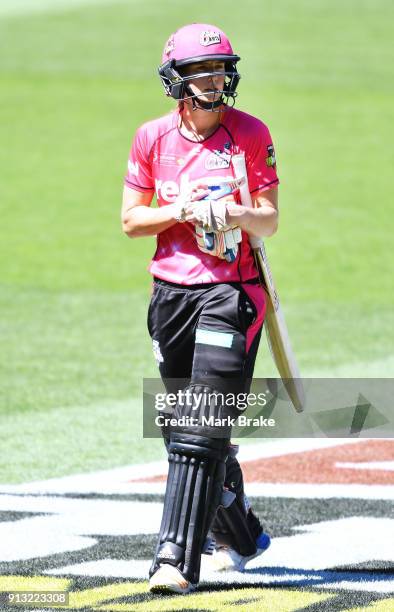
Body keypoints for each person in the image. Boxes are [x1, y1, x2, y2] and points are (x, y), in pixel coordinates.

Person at [121, 23, 279, 594]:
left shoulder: (250, 134)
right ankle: (239, 529)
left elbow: (270, 219)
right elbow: (131, 222)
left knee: (201, 425)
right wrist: (182, 210)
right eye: (199, 73)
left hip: (232, 292)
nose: (213, 81)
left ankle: (174, 559)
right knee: (181, 430)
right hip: (170, 294)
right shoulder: (152, 139)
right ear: (176, 80)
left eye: (218, 70)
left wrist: (234, 212)